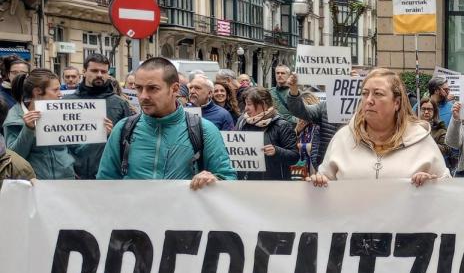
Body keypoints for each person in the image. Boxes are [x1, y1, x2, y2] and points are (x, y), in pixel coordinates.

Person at [97, 57, 236, 188]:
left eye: (153, 88)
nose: (144, 96)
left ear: (175, 89)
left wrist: (213, 180)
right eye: (139, 88)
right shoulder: (123, 129)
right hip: (134, 213)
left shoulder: (204, 130)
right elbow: (104, 183)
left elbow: (228, 179)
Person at [309, 68, 450, 186]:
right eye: (365, 93)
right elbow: (325, 186)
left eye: (378, 94)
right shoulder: (343, 138)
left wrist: (431, 185)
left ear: (397, 102)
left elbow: (447, 192)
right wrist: (319, 181)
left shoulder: (421, 141)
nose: (369, 100)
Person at [3, 69, 102, 180]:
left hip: (65, 182)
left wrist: (99, 135)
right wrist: (28, 129)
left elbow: (78, 151)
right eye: (55, 90)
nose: (60, 94)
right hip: (34, 184)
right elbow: (14, 158)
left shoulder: (62, 114)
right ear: (37, 91)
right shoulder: (14, 119)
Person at [64, 54, 135, 179]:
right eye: (94, 70)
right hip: (71, 174)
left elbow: (129, 141)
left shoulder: (119, 103)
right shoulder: (66, 102)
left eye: (103, 71)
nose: (99, 75)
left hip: (106, 174)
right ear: (84, 72)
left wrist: (113, 134)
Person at [234, 87, 299, 181]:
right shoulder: (242, 121)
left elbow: (294, 157)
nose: (246, 108)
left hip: (273, 185)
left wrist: (276, 151)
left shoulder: (282, 125)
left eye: (249, 104)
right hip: (246, 182)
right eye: (245, 104)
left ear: (263, 104)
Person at [285, 73, 340, 171]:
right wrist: (293, 90)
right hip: (324, 164)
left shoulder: (360, 108)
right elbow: (299, 111)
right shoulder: (323, 107)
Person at [420, 97, 456, 170]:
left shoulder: (440, 129)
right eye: (423, 109)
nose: (426, 112)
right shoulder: (412, 128)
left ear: (434, 112)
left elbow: (447, 148)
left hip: (434, 167)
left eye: (429, 109)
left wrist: (429, 144)